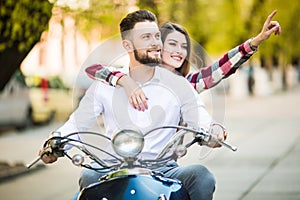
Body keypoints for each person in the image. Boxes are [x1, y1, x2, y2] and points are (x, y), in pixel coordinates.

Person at [39, 10, 223, 200]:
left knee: (202, 176)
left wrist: (212, 130)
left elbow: (199, 116)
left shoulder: (178, 84)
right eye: (146, 37)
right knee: (89, 176)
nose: (155, 43)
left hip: (163, 168)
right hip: (113, 166)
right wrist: (56, 142)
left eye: (157, 36)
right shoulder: (105, 86)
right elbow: (77, 124)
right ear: (127, 45)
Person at [85, 10, 281, 111]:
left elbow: (220, 69)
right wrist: (124, 81)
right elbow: (94, 69)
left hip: (163, 166)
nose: (180, 52)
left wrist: (255, 42)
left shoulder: (185, 85)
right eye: (172, 44)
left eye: (184, 46)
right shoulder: (132, 75)